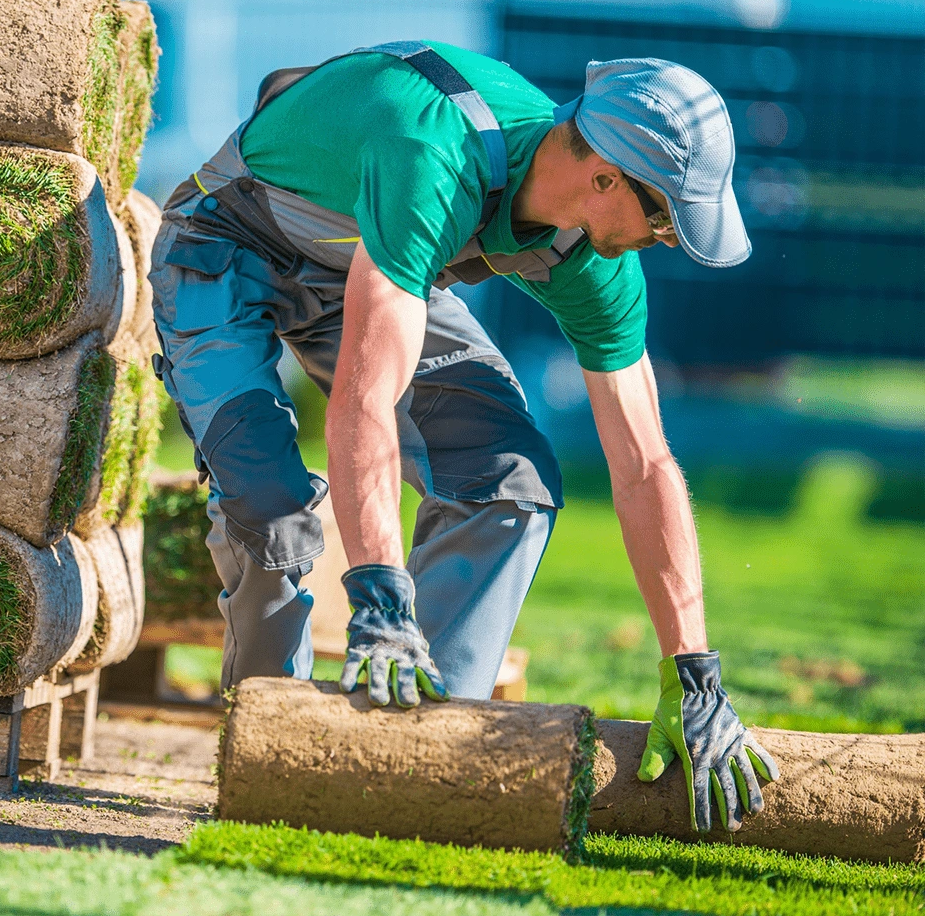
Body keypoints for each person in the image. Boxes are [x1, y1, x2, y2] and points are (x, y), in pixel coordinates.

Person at [146, 41, 779, 833]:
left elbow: (645, 461)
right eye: (663, 214)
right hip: (225, 246)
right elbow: (364, 400)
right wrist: (377, 591)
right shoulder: (433, 155)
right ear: (605, 175)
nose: (665, 237)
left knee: (510, 483)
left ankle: (403, 763)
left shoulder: (594, 260)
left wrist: (695, 674)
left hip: (374, 267)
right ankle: (274, 766)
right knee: (271, 512)